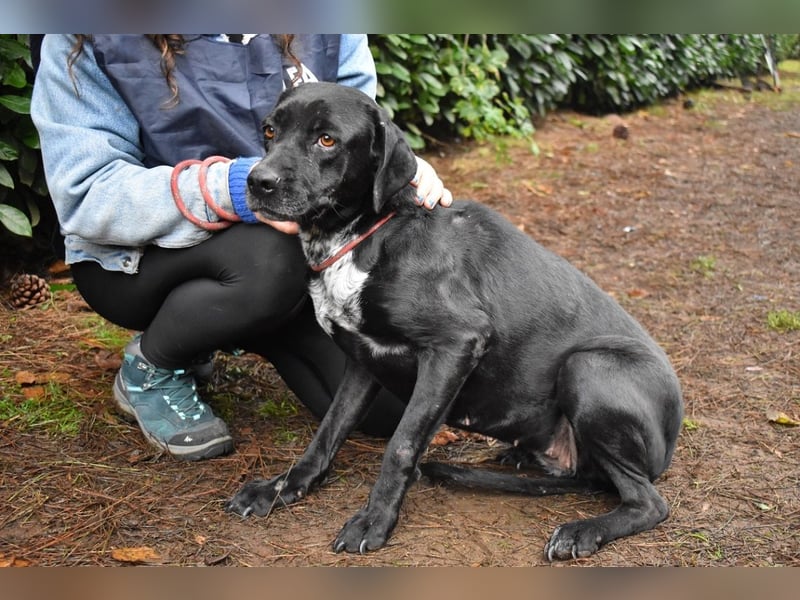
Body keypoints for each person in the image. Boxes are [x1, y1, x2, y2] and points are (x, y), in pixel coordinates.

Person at [31, 34, 452, 460]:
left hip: (295, 257)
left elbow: (356, 135)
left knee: (391, 408)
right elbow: (86, 194)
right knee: (270, 259)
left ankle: (234, 323)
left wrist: (400, 169)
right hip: (142, 259)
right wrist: (233, 187)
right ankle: (153, 364)